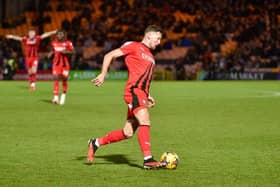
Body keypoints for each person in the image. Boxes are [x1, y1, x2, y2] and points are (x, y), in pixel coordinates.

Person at [88, 25, 166, 169]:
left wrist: (148, 95)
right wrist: (103, 74)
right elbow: (109, 55)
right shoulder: (134, 46)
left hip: (141, 93)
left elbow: (143, 77)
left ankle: (96, 143)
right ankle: (148, 159)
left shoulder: (151, 56)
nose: (159, 42)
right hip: (133, 92)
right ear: (150, 35)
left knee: (127, 132)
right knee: (145, 120)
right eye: (158, 38)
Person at [48, 29, 74, 105]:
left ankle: (63, 94)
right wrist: (50, 53)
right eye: (58, 34)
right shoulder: (54, 43)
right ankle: (55, 97)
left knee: (64, 80)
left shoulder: (68, 43)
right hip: (56, 64)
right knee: (56, 78)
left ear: (64, 35)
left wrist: (66, 52)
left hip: (65, 65)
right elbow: (53, 50)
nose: (59, 36)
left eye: (61, 34)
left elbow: (73, 51)